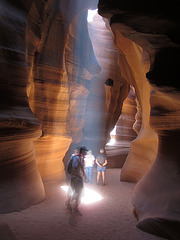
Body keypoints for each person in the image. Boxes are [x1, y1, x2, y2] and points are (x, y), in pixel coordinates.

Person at [66, 147, 86, 215]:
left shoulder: (78, 158)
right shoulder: (77, 158)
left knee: (72, 191)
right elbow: (75, 167)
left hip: (74, 177)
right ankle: (75, 208)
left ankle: (69, 204)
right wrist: (78, 176)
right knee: (78, 192)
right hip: (76, 178)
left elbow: (81, 166)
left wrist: (84, 174)